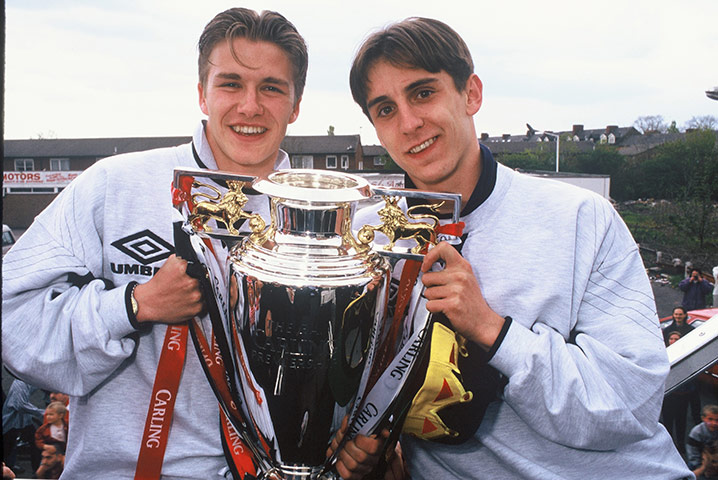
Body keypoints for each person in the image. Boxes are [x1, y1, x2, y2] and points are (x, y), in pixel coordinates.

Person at [2, 8, 380, 480]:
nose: (249, 106)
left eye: (271, 87)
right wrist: (133, 305)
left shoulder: (337, 221)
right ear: (202, 93)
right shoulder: (114, 188)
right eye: (230, 84)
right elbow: (11, 319)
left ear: (295, 104)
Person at [349, 17, 691, 478]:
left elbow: (632, 405)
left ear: (471, 94)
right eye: (385, 109)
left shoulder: (580, 218)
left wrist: (494, 331)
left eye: (423, 93)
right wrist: (361, 444)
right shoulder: (365, 236)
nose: (409, 123)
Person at [2, 379, 44, 473]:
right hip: (12, 421)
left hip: (22, 420)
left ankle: (36, 471)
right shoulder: (20, 384)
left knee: (34, 441)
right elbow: (20, 405)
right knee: (8, 446)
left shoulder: (28, 381)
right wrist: (41, 412)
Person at [688, 405, 718, 471]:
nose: (714, 423)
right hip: (698, 462)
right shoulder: (696, 432)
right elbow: (693, 454)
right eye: (710, 419)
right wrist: (701, 467)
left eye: (717, 420)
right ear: (703, 418)